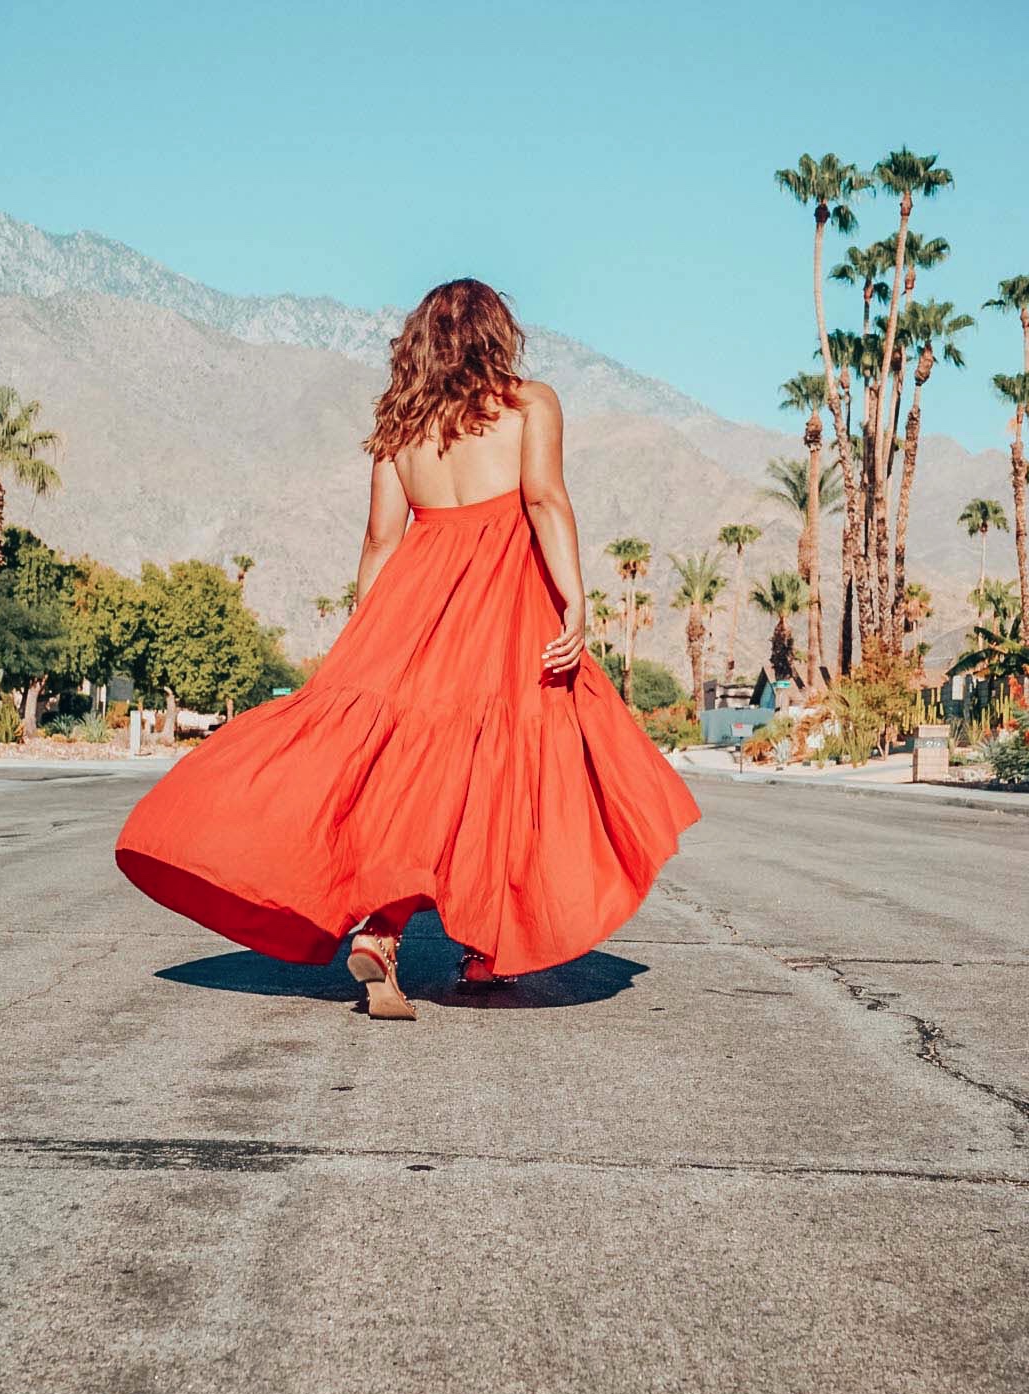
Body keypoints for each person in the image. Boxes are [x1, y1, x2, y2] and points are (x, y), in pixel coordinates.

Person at [116, 279, 700, 1020]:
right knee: (503, 770)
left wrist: (370, 633)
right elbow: (546, 500)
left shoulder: (400, 425)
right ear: (497, 334)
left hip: (413, 601)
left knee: (401, 769)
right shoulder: (529, 405)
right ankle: (490, 944)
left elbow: (381, 540)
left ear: (420, 342)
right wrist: (577, 600)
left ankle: (383, 930)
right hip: (506, 599)